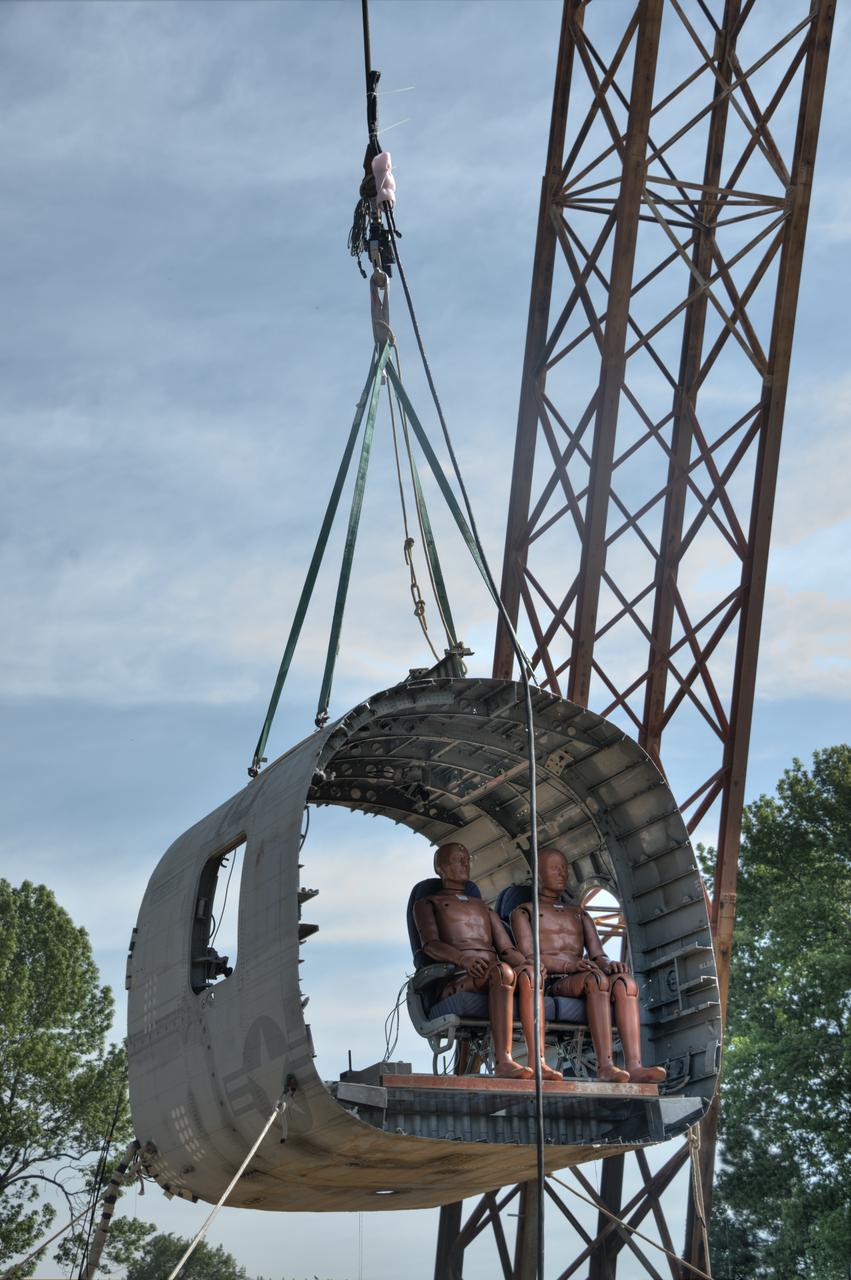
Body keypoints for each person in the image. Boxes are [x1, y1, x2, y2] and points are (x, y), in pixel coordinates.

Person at [511, 848, 666, 1085]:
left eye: (564, 869)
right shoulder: (524, 912)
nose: (562, 874)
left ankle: (634, 1065)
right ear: (539, 874)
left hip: (581, 974)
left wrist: (611, 964)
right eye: (555, 868)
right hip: (554, 979)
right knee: (596, 980)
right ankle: (605, 1066)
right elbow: (529, 956)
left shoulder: (579, 914)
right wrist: (569, 965)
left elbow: (597, 955)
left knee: (626, 983)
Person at [413, 842, 562, 1081]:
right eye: (456, 859)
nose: (464, 863)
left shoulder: (484, 908)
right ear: (440, 867)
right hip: (456, 977)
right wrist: (463, 959)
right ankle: (503, 1061)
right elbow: (430, 945)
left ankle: (538, 1061)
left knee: (527, 974)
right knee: (502, 972)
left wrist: (527, 963)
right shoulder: (428, 903)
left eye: (466, 859)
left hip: (492, 971)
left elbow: (505, 948)